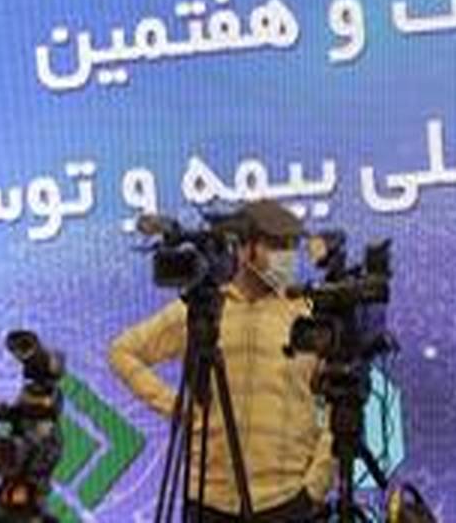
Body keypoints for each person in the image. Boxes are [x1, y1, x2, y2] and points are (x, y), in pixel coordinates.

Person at [109, 200, 333, 521]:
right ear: (245, 248)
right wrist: (178, 407)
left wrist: (316, 484)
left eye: (291, 246)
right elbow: (123, 351)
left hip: (285, 500)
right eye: (276, 245)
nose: (287, 257)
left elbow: (339, 397)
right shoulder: (203, 310)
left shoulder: (307, 314)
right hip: (209, 498)